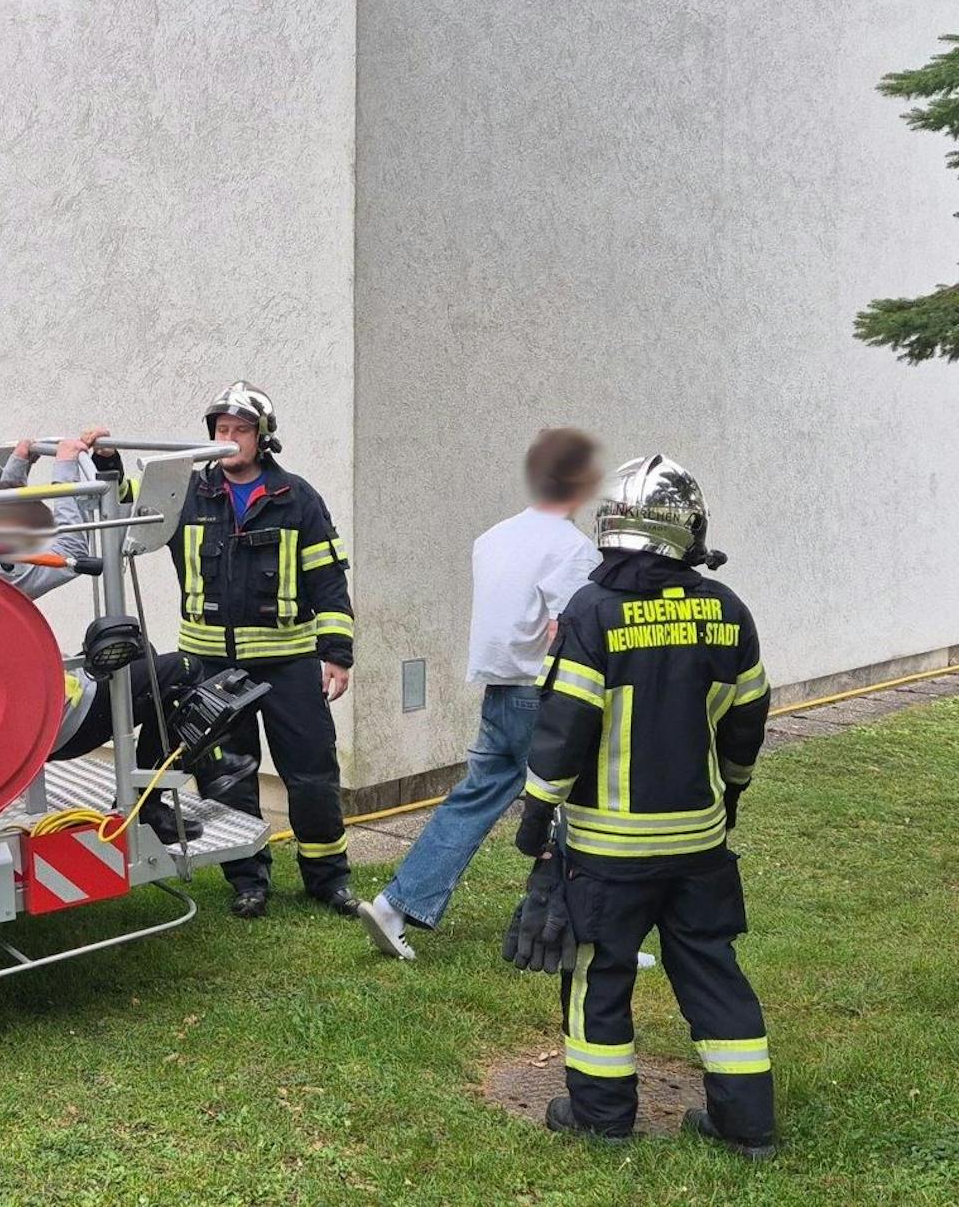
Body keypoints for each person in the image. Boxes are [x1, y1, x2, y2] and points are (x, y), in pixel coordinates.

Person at [513, 454, 775, 1158]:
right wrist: (734, 791)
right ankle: (747, 1125)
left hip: (607, 849)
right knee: (712, 970)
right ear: (687, 533)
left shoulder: (594, 612)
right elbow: (747, 721)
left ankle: (600, 1116)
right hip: (699, 843)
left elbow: (563, 729)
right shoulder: (727, 610)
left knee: (598, 972)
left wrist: (536, 820)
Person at [0, 427, 257, 844]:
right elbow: (73, 551)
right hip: (58, 724)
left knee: (141, 652)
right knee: (184, 670)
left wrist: (20, 463)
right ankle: (159, 797)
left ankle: (167, 786)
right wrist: (65, 466)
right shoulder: (2, 576)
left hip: (28, 721)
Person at [359, 428, 602, 959]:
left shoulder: (493, 537)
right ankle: (587, 936)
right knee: (580, 806)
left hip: (499, 690)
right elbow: (574, 629)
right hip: (545, 696)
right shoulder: (571, 548)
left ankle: (395, 903)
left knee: (474, 799)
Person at [154, 381, 357, 919]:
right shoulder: (188, 494)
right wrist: (103, 462)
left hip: (289, 663)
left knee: (312, 771)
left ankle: (328, 879)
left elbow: (329, 582)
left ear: (262, 438)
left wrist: (336, 653)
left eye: (240, 430)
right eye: (221, 429)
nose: (228, 438)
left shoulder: (298, 498)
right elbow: (130, 510)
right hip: (211, 665)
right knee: (230, 775)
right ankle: (249, 878)